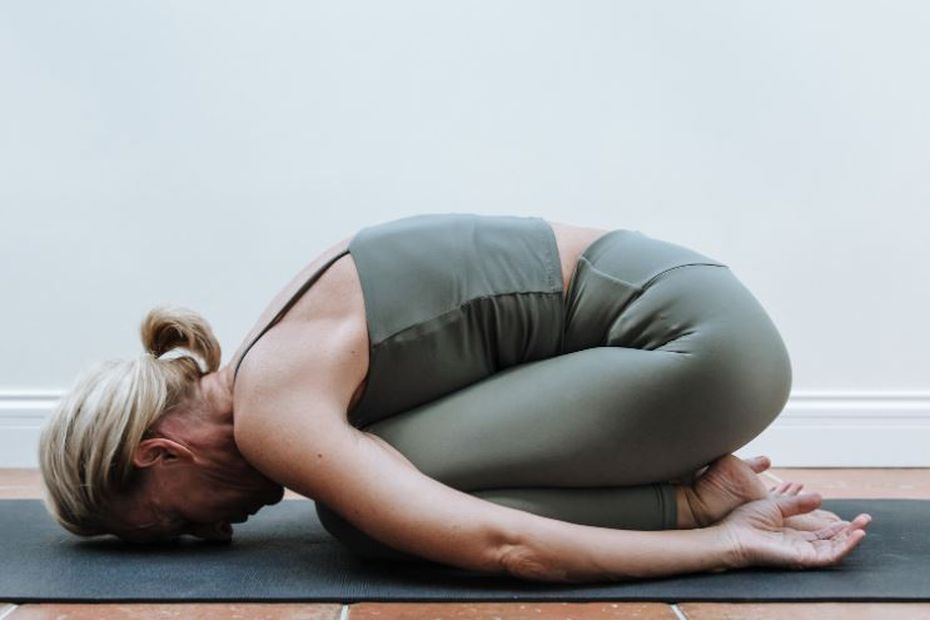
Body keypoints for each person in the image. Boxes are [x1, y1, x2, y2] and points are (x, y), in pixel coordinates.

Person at [38, 213, 871, 583]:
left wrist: (728, 548)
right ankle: (696, 491)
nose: (217, 534)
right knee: (375, 491)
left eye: (178, 522)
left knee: (365, 512)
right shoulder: (274, 360)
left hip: (697, 351)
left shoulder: (273, 408)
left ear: (160, 451)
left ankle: (696, 507)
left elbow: (506, 547)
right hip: (700, 330)